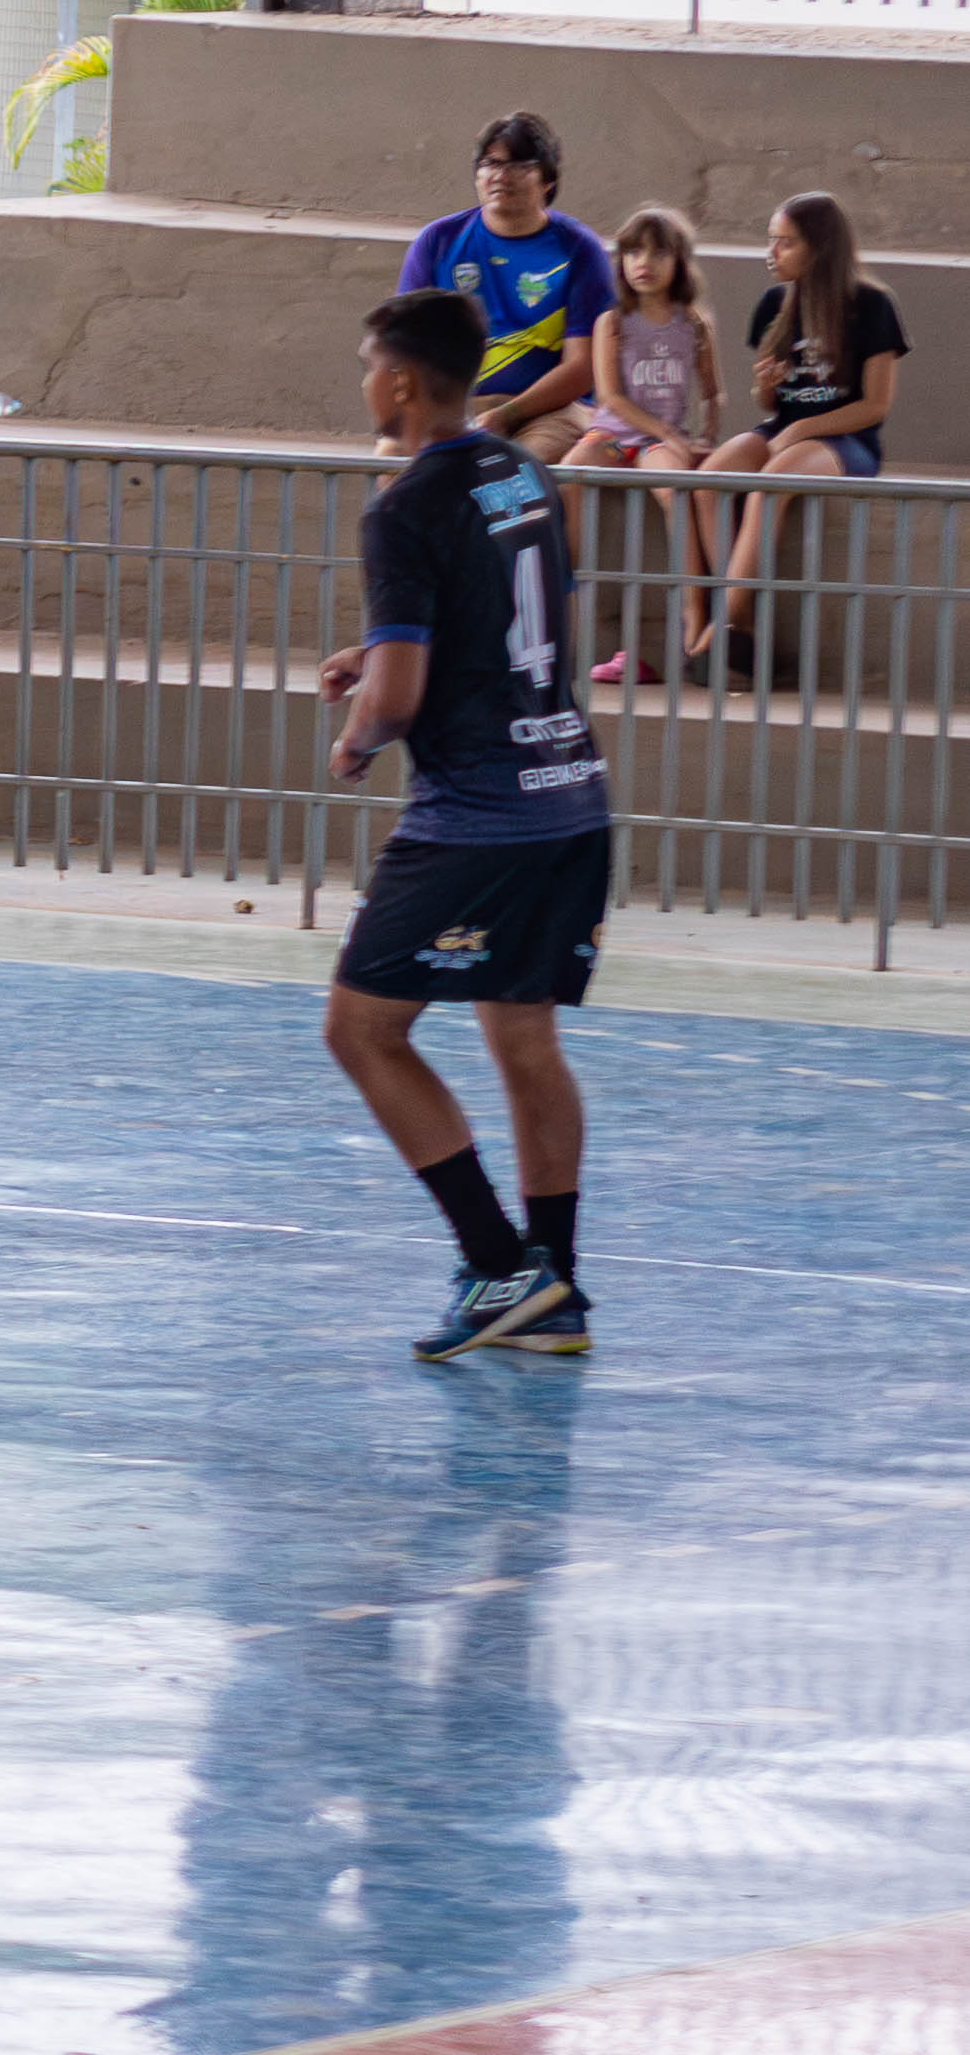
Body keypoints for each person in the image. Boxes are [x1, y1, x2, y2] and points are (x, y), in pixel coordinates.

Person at [316, 289, 610, 1365]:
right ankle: (553, 1287)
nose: (364, 381)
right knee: (523, 1039)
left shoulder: (401, 506)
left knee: (359, 1030)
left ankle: (495, 1264)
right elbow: (520, 618)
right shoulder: (520, 470)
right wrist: (378, 649)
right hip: (570, 794)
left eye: (367, 364)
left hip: (477, 820)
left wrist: (358, 730)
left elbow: (395, 701)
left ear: (398, 381)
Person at [692, 189, 905, 682]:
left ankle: (723, 622)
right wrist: (766, 387)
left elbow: (875, 405)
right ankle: (742, 619)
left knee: (770, 485)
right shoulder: (774, 303)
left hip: (844, 438)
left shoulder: (872, 304)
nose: (771, 253)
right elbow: (772, 404)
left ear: (820, 247)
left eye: (785, 243)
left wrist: (805, 428)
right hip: (784, 428)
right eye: (770, 240)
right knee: (707, 483)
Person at [562, 203, 723, 688]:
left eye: (657, 253)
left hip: (659, 442)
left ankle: (694, 611)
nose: (643, 263)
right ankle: (562, 596)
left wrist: (707, 434)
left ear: (680, 262)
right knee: (567, 477)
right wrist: (663, 430)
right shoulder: (612, 323)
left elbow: (713, 391)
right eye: (633, 252)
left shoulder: (693, 324)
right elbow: (610, 396)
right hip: (613, 435)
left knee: (675, 490)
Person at [389, 112, 619, 446]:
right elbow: (405, 346)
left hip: (553, 411)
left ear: (547, 180)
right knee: (392, 451)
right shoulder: (438, 241)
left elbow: (583, 367)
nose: (500, 175)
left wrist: (508, 414)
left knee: (520, 467)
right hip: (456, 406)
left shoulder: (580, 249)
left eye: (519, 165)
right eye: (490, 163)